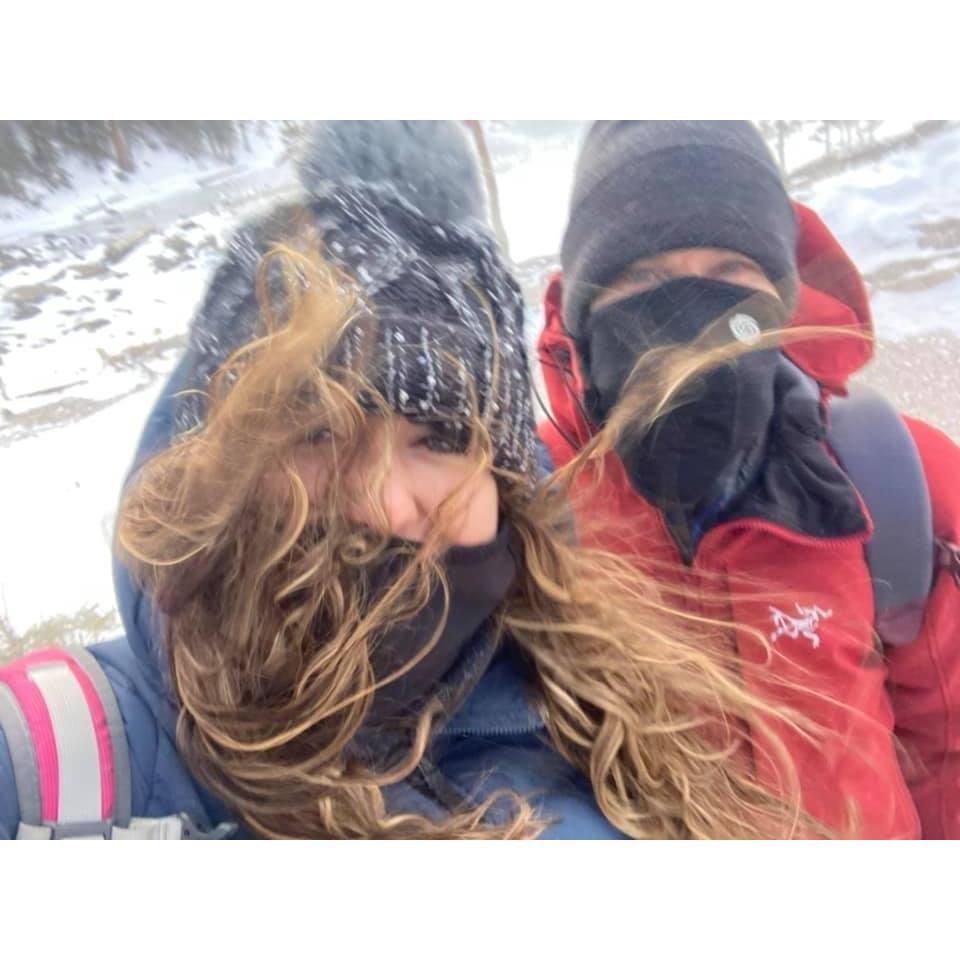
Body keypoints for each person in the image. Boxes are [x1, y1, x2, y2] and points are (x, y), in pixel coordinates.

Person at [0, 121, 812, 840]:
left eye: (441, 437)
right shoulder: (55, 758)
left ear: (505, 487)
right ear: (220, 464)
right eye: (318, 430)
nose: (384, 503)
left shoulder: (614, 738)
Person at [536, 120, 960, 839]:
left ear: (780, 294)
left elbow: (947, 749)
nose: (690, 306)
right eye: (644, 276)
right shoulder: (529, 505)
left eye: (729, 270)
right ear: (583, 309)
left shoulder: (892, 471)